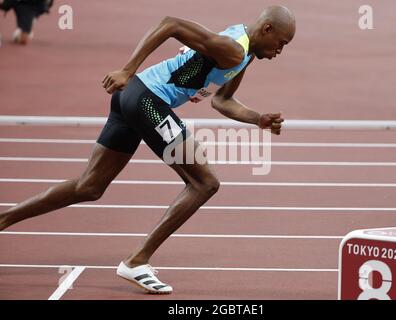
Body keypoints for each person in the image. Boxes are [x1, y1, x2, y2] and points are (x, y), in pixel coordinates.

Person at [0, 5, 296, 294]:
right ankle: (136, 261)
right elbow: (171, 23)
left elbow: (222, 100)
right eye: (281, 43)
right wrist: (127, 70)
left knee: (89, 186)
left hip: (132, 98)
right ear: (267, 29)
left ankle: (3, 220)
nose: (280, 51)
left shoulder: (243, 56)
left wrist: (258, 118)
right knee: (205, 183)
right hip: (147, 100)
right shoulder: (233, 48)